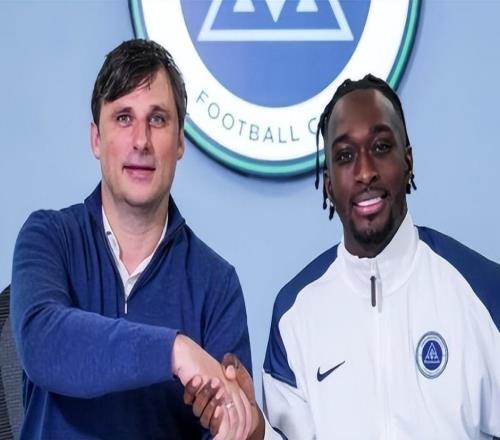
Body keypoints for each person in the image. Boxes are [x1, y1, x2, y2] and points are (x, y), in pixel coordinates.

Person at [187, 74, 500, 439]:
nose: (365, 172)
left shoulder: (484, 290)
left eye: (381, 147)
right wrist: (255, 428)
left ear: (408, 161)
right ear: (329, 183)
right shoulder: (294, 314)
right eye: (345, 156)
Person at [10, 39, 253, 440]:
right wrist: (174, 351)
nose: (141, 140)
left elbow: (231, 424)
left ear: (179, 142)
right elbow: (43, 343)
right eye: (123, 118)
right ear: (96, 139)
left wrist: (241, 427)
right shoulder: (48, 237)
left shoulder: (217, 284)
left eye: (157, 119)